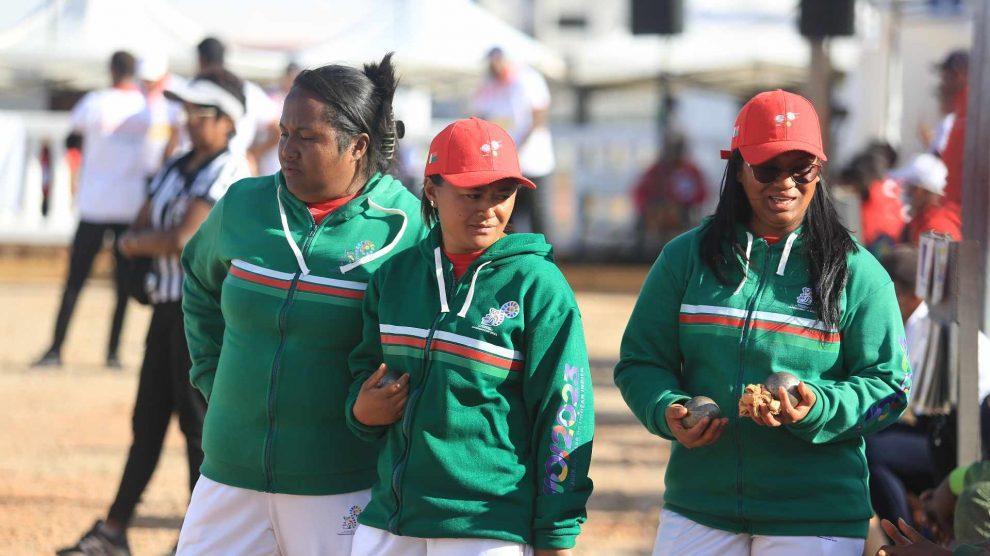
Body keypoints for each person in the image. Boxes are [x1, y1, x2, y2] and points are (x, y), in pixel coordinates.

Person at [614, 89, 911, 555]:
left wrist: (817, 406)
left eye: (802, 169)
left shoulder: (860, 274)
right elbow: (639, 361)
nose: (786, 183)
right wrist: (667, 409)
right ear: (736, 168)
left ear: (820, 171)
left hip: (818, 516)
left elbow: (890, 390)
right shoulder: (685, 258)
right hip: (698, 508)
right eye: (768, 168)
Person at [176, 54, 426, 555]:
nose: (287, 150)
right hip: (229, 474)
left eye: (307, 137)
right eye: (284, 133)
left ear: (357, 146)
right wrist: (212, 374)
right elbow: (198, 282)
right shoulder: (244, 205)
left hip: (338, 483)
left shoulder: (405, 227)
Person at [346, 117, 594, 556]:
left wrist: (556, 532)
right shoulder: (395, 277)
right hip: (389, 520)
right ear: (431, 190)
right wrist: (361, 410)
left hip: (487, 526)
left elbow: (564, 414)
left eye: (503, 194)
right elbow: (362, 370)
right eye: (472, 193)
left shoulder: (539, 285)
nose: (489, 209)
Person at [55, 69, 250, 556]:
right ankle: (116, 529)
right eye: (185, 111)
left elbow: (185, 239)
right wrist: (144, 242)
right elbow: (149, 224)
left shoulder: (230, 171)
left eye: (199, 113)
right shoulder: (178, 165)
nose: (188, 121)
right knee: (147, 421)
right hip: (167, 310)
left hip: (205, 320)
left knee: (198, 428)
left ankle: (200, 537)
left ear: (228, 121)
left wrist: (137, 244)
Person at [34, 51, 148, 369]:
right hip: (130, 205)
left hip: (95, 203)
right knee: (122, 286)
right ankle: (112, 354)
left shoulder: (94, 102)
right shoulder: (145, 107)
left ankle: (56, 349)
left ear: (111, 70)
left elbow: (71, 140)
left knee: (75, 281)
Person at [471, 47, 555, 235]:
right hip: (503, 167)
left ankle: (542, 261)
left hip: (533, 162)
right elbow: (478, 117)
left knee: (538, 217)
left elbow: (539, 116)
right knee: (507, 217)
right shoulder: (488, 85)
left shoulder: (528, 79)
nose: (493, 66)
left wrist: (515, 150)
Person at [196, 37, 280, 175]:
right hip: (236, 169)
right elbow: (278, 128)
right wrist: (253, 154)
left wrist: (253, 154)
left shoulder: (196, 90)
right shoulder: (248, 89)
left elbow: (277, 129)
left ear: (200, 60)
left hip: (212, 169)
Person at [632, 133, 709, 255]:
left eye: (677, 149)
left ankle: (685, 252)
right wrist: (648, 208)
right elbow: (639, 192)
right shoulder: (655, 170)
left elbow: (702, 193)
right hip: (657, 210)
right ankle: (643, 254)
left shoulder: (691, 171)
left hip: (683, 211)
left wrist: (683, 206)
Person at [892, 153, 961, 243]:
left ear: (919, 191)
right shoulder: (922, 222)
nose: (905, 192)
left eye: (908, 187)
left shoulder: (935, 229)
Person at [935, 50, 968, 209]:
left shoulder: (974, 110)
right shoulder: (960, 111)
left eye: (947, 76)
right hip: (954, 208)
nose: (942, 82)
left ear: (959, 75)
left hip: (965, 213)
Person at [258, 62, 301, 176]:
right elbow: (273, 129)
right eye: (290, 77)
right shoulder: (273, 97)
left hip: (282, 156)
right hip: (271, 159)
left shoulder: (301, 101)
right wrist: (258, 152)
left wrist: (257, 152)